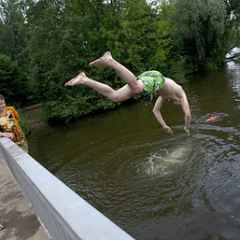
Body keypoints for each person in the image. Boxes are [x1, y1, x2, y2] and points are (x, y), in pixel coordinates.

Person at [65, 51, 191, 135]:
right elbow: (188, 114)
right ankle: (110, 60)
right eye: (177, 103)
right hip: (157, 78)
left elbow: (155, 111)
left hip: (151, 79)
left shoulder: (164, 97)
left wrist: (164, 126)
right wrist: (186, 127)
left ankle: (84, 79)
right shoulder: (180, 93)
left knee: (115, 97)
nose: (173, 102)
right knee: (136, 88)